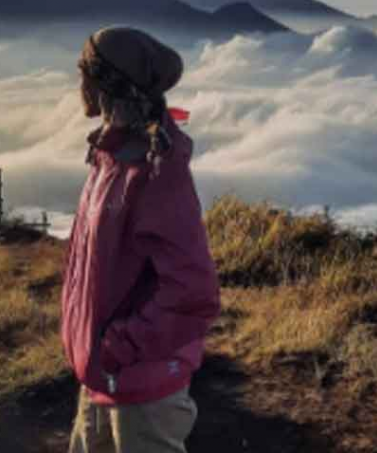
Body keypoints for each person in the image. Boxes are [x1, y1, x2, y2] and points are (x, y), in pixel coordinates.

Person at [62, 26, 221, 453]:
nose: (78, 84)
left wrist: (119, 346)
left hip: (140, 391)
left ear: (106, 83)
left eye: (84, 72)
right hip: (102, 377)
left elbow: (194, 293)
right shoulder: (110, 157)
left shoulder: (152, 173)